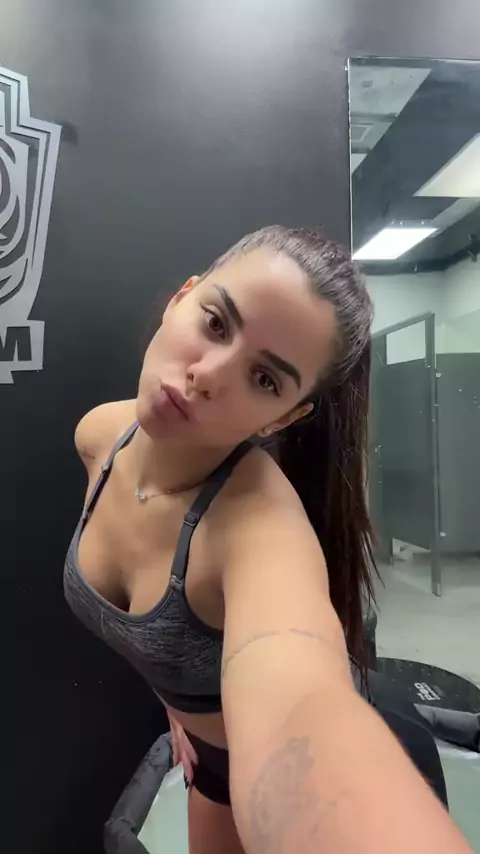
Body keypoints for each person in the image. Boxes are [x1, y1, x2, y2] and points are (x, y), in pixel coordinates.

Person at [64, 226, 472, 854]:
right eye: (215, 323)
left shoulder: (261, 531)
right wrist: (176, 700)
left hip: (329, 760)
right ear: (182, 297)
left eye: (264, 380)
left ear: (283, 417)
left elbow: (299, 701)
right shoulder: (99, 436)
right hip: (209, 756)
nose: (207, 375)